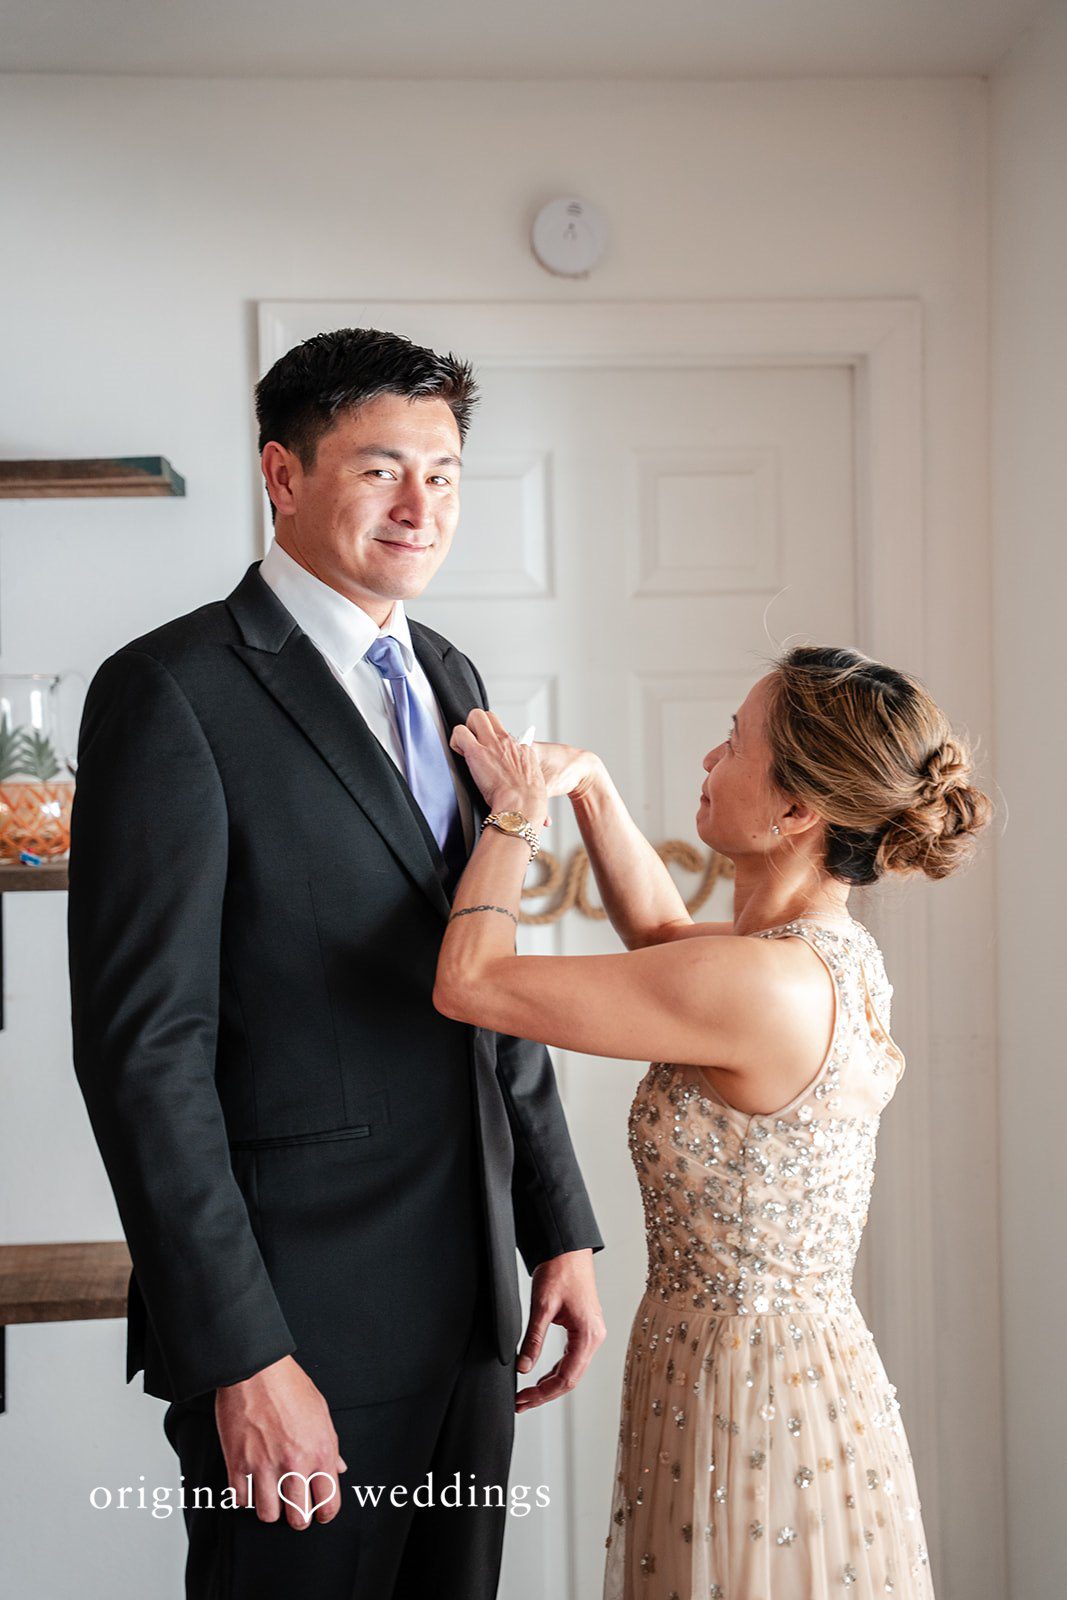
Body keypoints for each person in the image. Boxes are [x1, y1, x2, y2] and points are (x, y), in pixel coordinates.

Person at [67, 327, 605, 1600]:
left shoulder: (446, 671)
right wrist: (240, 1353)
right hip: (294, 1318)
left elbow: (486, 970)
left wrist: (555, 1227)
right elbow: (144, 1055)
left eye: (447, 472)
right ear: (282, 473)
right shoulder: (170, 691)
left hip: (469, 1308)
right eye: (379, 470)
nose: (422, 507)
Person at [434, 646, 991, 1599]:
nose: (707, 760)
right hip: (778, 1372)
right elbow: (658, 941)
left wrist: (515, 812)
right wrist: (591, 789)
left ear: (796, 810)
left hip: (749, 1404)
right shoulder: (818, 955)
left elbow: (469, 981)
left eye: (734, 741)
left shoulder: (757, 984)